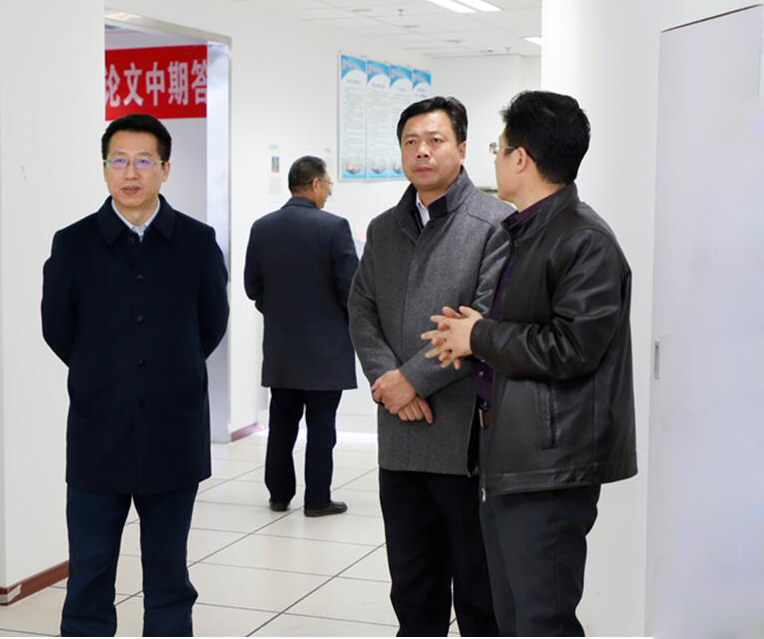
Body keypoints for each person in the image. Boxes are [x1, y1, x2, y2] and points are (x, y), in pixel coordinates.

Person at [422, 90, 637, 637]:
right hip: (511, 454)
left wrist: (480, 335)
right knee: (513, 617)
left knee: (543, 620)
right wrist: (472, 333)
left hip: (550, 465)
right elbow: (529, 329)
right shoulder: (528, 230)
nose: (495, 159)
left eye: (498, 148)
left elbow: (572, 347)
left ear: (521, 159)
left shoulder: (584, 240)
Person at [41, 113, 229, 637]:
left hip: (174, 431)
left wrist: (166, 370)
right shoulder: (73, 244)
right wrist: (107, 373)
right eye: (119, 160)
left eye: (144, 161)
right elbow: (57, 329)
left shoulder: (197, 242)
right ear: (104, 168)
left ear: (165, 169)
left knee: (169, 576)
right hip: (98, 433)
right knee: (89, 575)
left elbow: (211, 324)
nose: (130, 172)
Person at [348, 96, 507, 636]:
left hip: (465, 439)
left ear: (462, 148)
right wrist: (386, 380)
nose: (422, 151)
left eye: (435, 140)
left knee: (479, 592)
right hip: (399, 435)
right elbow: (361, 308)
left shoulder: (495, 225)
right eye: (411, 141)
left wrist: (411, 379)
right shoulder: (384, 228)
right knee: (412, 588)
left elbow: (482, 321)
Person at [244, 155, 358, 516]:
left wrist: (278, 312)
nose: (328, 193)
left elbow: (252, 287)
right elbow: (351, 290)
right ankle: (317, 500)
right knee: (322, 427)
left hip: (281, 348)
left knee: (281, 423)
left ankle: (279, 496)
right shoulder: (335, 227)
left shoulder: (262, 227)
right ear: (315, 184)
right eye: (328, 186)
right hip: (326, 350)